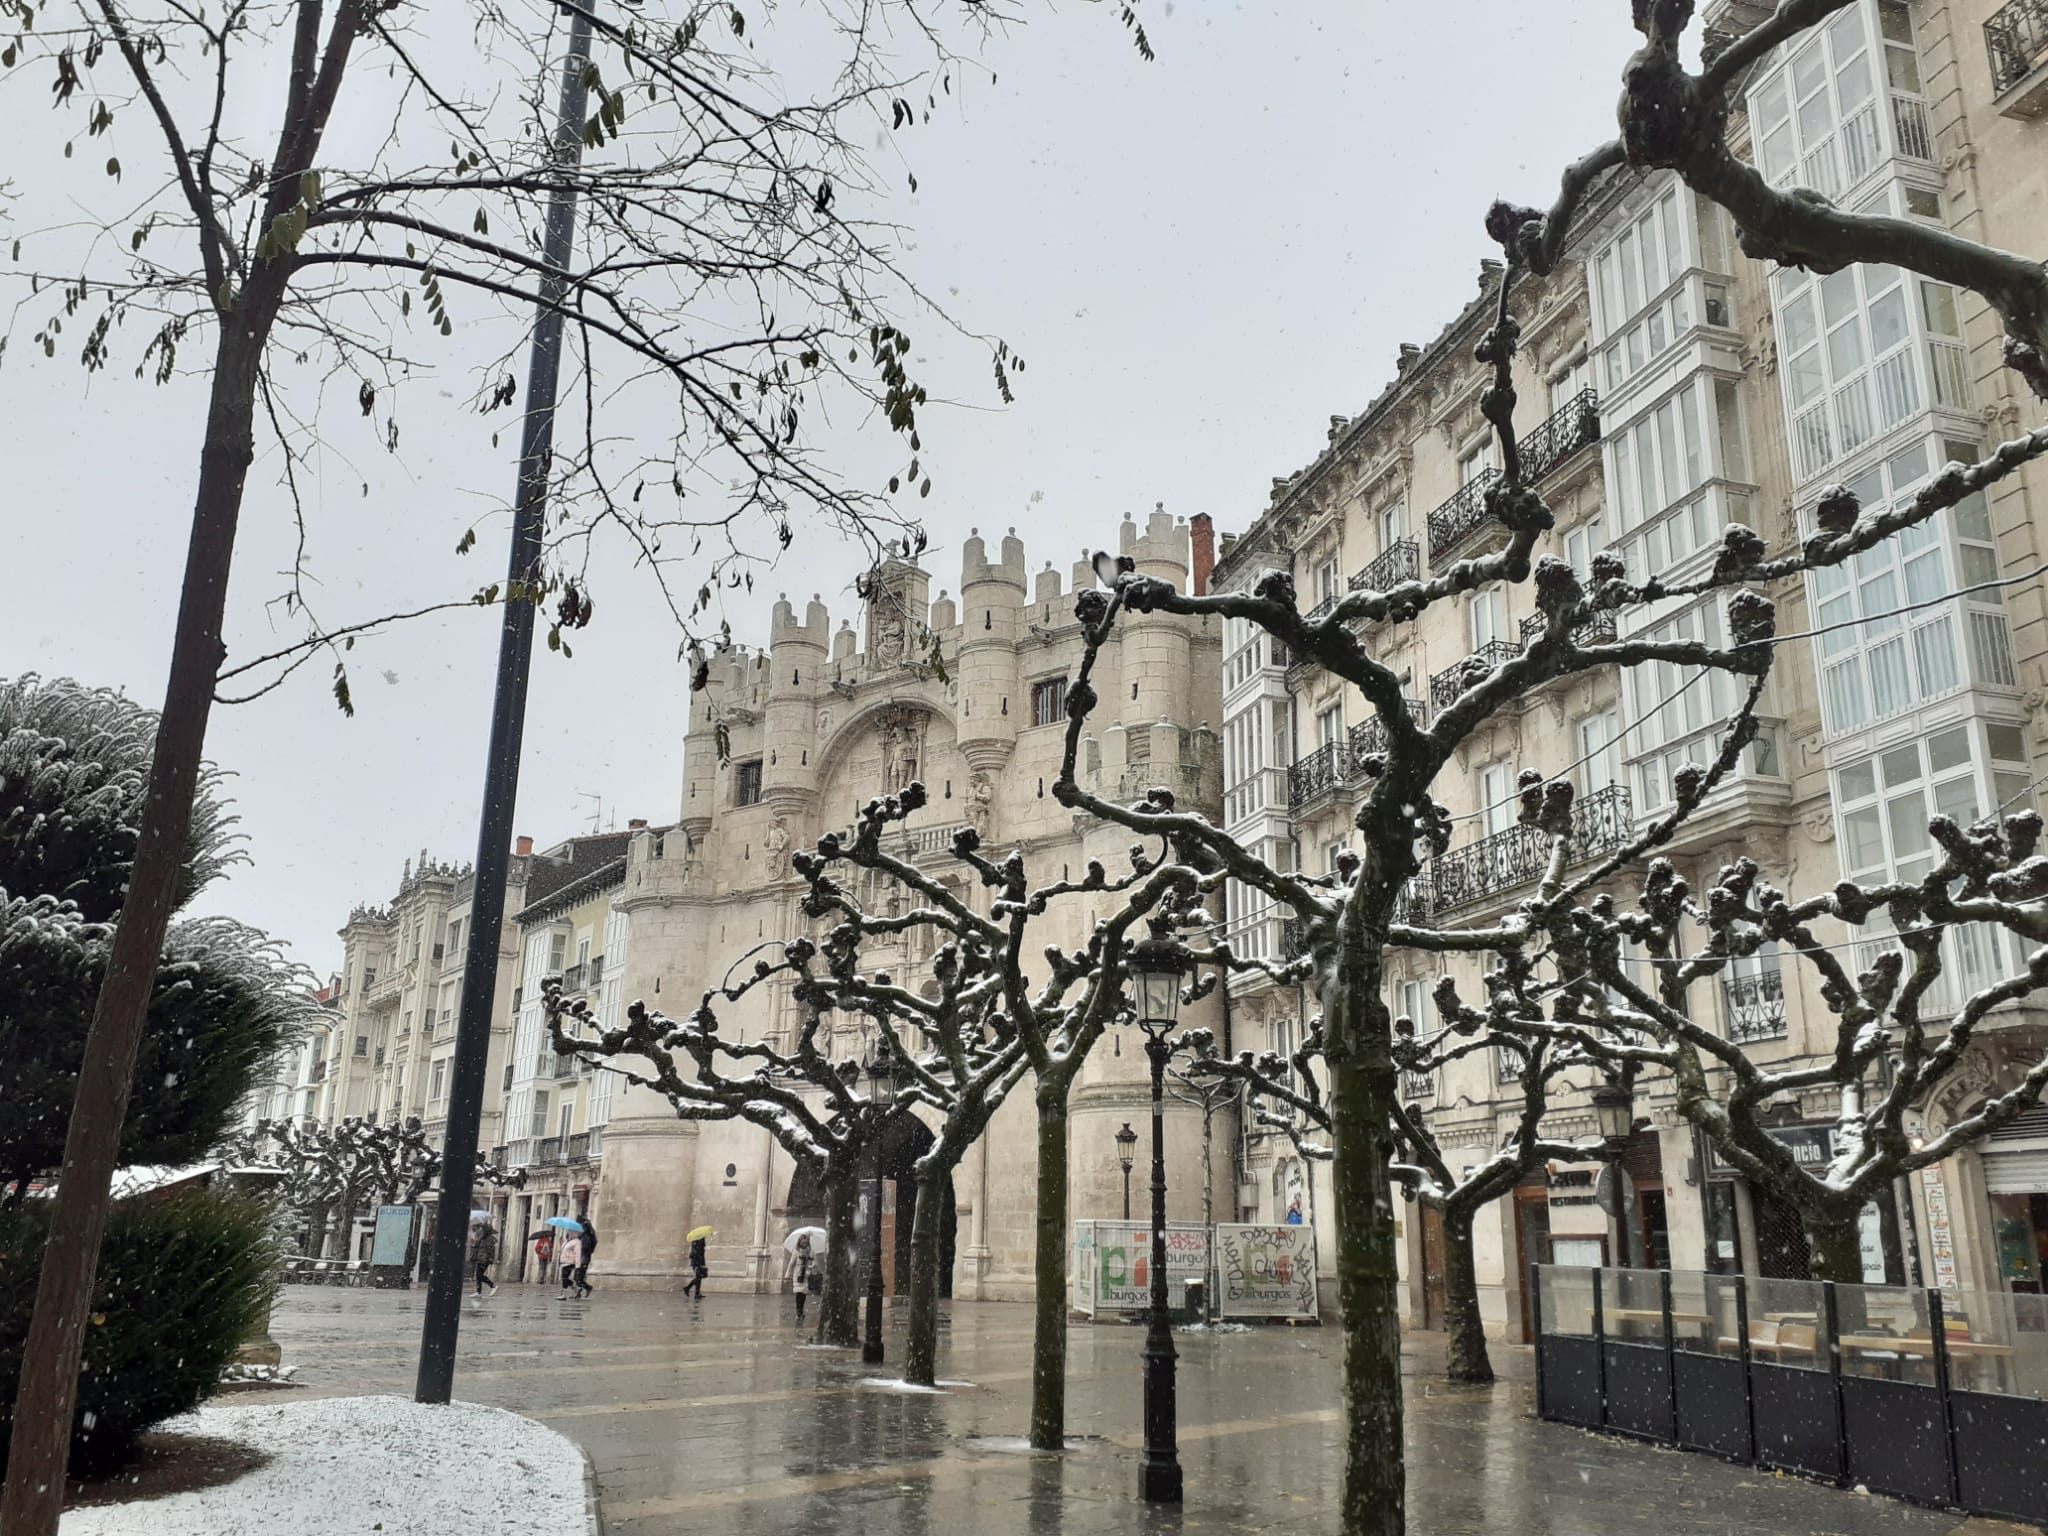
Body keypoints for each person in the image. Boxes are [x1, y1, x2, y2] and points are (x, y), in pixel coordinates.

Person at [784, 1234, 817, 1323]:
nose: (804, 1244)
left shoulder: (810, 1251)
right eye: (802, 1242)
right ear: (799, 1242)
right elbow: (791, 1264)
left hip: (806, 1275)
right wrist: (787, 1275)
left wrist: (812, 1266)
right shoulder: (796, 1251)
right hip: (798, 1275)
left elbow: (813, 1262)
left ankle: (801, 1312)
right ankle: (799, 1312)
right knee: (798, 1294)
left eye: (806, 1242)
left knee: (803, 1294)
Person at [468, 1219, 498, 1297]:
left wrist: (485, 1260)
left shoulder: (489, 1240)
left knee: (479, 1275)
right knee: (478, 1275)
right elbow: (477, 1248)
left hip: (484, 1260)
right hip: (481, 1258)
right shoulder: (484, 1239)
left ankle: (493, 1286)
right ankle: (479, 1292)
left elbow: (489, 1251)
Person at [574, 1216, 598, 1299]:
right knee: (577, 1277)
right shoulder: (584, 1236)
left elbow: (585, 1248)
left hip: (583, 1258)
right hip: (582, 1258)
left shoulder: (585, 1237)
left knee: (578, 1278)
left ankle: (588, 1288)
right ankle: (578, 1293)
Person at [557, 1228, 584, 1299]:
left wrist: (578, 1266)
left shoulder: (577, 1242)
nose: (569, 1233)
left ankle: (564, 1294)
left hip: (570, 1262)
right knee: (564, 1278)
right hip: (564, 1262)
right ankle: (577, 1289)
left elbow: (578, 1254)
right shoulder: (567, 1241)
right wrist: (561, 1243)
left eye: (571, 1232)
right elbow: (563, 1251)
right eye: (569, 1232)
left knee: (564, 1277)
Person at [682, 1232, 708, 1299]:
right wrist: (699, 1264)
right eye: (703, 1237)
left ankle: (695, 1292)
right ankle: (690, 1290)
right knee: (698, 1277)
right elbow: (694, 1254)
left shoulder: (700, 1243)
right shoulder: (696, 1243)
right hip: (697, 1263)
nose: (704, 1237)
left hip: (700, 1263)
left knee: (699, 1277)